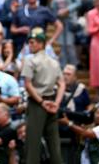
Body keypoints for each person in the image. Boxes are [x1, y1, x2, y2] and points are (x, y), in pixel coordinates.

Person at [21, 29, 65, 164]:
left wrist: (41, 102)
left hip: (37, 104)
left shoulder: (30, 61)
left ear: (41, 44)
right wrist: (57, 103)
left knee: (33, 143)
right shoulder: (54, 62)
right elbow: (62, 84)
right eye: (29, 42)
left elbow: (28, 85)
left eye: (33, 42)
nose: (30, 45)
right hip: (52, 103)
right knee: (54, 144)